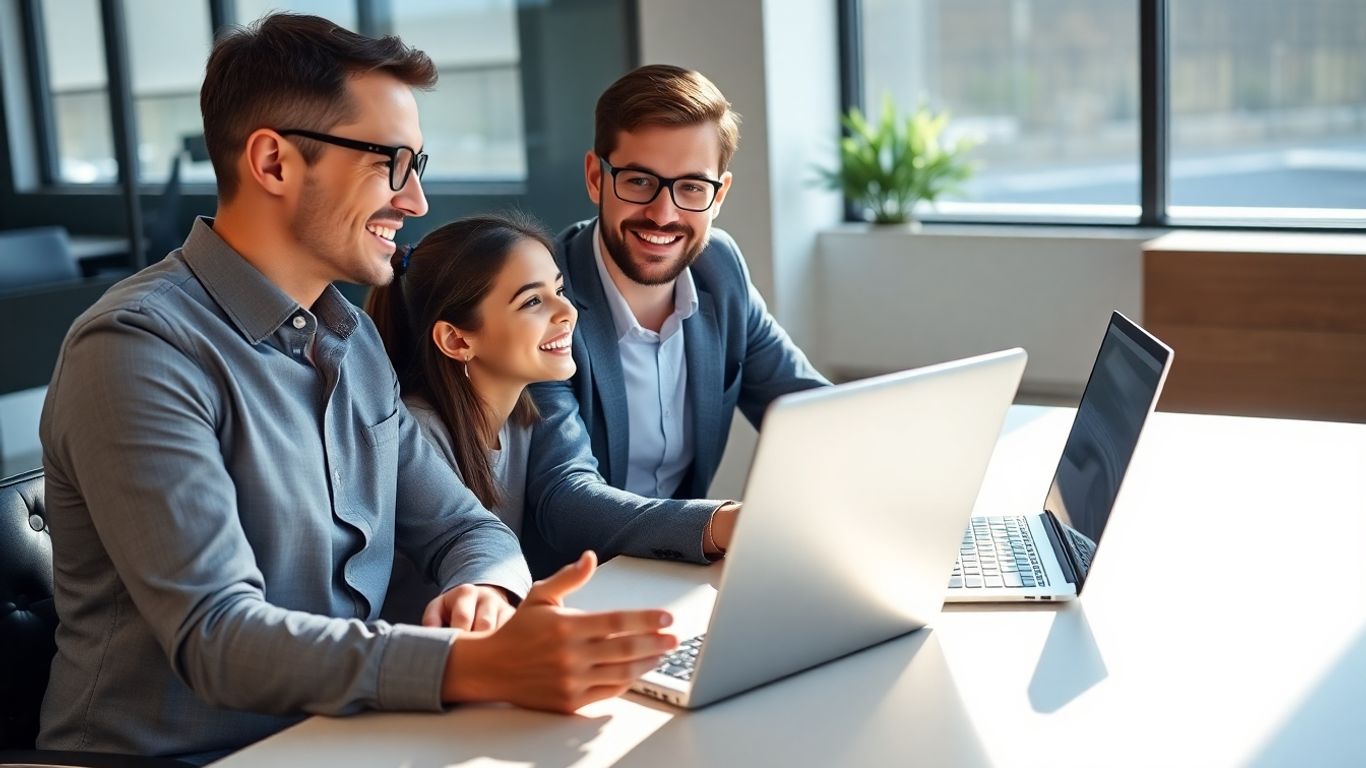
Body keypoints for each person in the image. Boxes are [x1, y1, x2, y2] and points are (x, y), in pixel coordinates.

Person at [37, 15, 674, 764]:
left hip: (345, 740)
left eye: (419, 165)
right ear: (273, 162)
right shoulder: (138, 350)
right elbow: (218, 635)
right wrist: (470, 666)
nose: (416, 202)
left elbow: (469, 530)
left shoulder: (351, 341)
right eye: (392, 164)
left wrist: (486, 597)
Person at [525, 64, 829, 570]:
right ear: (596, 178)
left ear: (719, 194)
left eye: (691, 187)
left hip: (674, 573)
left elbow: (811, 410)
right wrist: (724, 524)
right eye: (640, 181)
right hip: (571, 588)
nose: (663, 215)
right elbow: (565, 498)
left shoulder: (720, 269)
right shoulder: (543, 297)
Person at [365, 213, 740, 592]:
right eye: (532, 301)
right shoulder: (416, 435)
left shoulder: (523, 417)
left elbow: (574, 491)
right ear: (458, 341)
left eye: (558, 291)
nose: (568, 312)